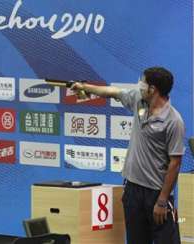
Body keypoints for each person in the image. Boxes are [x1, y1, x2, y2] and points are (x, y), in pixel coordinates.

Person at [71, 67, 185, 244]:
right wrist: (85, 87)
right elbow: (113, 92)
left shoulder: (174, 121)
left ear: (152, 89)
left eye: (143, 82)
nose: (139, 86)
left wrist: (162, 201)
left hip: (156, 194)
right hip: (133, 189)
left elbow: (175, 163)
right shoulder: (139, 101)